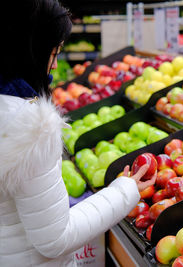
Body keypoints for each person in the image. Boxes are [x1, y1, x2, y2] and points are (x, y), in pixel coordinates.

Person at [0, 1, 155, 266]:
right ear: (32, 50)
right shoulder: (31, 125)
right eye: (54, 52)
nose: (55, 64)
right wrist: (125, 190)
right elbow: (55, 239)